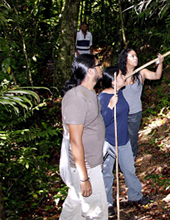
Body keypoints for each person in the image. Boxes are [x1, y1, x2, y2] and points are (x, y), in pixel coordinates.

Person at [97, 66, 152, 216]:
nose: (124, 78)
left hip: (124, 141)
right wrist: (109, 107)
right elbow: (101, 123)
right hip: (109, 142)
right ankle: (107, 203)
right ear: (113, 82)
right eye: (121, 76)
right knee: (107, 174)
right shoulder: (102, 98)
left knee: (129, 170)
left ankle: (135, 195)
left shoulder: (120, 92)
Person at [59, 54, 108, 219]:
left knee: (73, 213)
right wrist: (84, 177)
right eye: (98, 64)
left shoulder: (89, 93)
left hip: (90, 165)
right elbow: (74, 140)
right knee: (96, 214)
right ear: (90, 71)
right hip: (85, 169)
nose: (102, 67)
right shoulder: (76, 98)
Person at [118, 48, 164, 160]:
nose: (136, 58)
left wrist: (160, 63)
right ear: (125, 59)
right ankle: (119, 162)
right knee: (120, 138)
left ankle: (131, 161)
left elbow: (156, 76)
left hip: (134, 113)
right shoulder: (118, 75)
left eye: (136, 56)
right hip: (120, 113)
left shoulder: (141, 73)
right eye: (132, 56)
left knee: (132, 138)